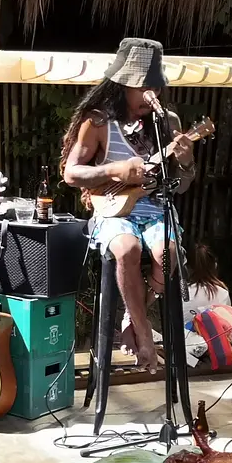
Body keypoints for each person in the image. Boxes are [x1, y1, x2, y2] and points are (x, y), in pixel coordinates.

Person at [61, 38, 197, 373]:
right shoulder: (97, 122)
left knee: (167, 254)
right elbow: (71, 173)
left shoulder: (169, 123)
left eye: (155, 86)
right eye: (142, 87)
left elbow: (181, 185)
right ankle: (145, 336)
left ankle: (130, 317)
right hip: (111, 208)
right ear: (122, 84)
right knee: (126, 250)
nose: (151, 94)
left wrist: (187, 164)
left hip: (154, 209)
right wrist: (113, 169)